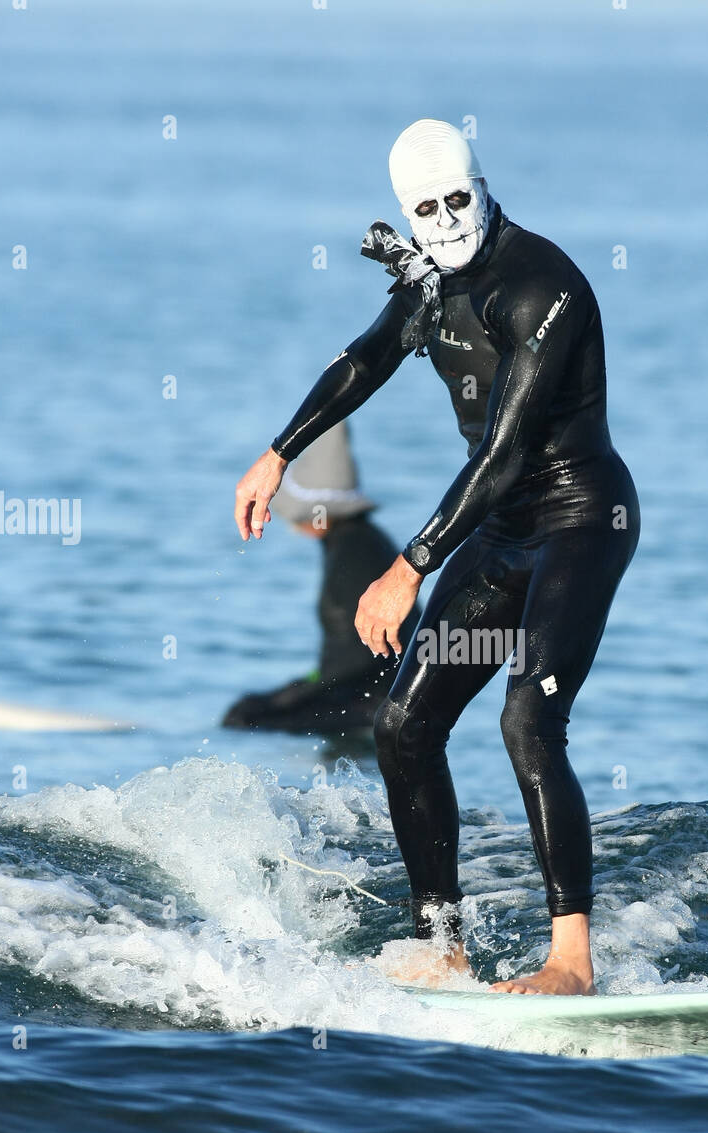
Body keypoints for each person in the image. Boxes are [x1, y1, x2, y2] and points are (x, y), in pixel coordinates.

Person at [234, 119, 640, 995]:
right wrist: (279, 452)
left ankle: (571, 962)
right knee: (404, 726)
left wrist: (406, 566)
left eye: (461, 198)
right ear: (407, 216)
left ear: (484, 186)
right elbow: (365, 360)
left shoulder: (540, 287)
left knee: (528, 720)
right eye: (428, 209)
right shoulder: (428, 280)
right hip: (497, 534)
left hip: (578, 518)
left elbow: (501, 452)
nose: (449, 219)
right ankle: (443, 945)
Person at [224, 422, 420, 734]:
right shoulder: (362, 539)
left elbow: (355, 660)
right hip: (368, 688)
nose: (293, 524)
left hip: (374, 700)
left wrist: (293, 697)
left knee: (243, 718)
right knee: (252, 708)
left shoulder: (352, 550)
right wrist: (299, 689)